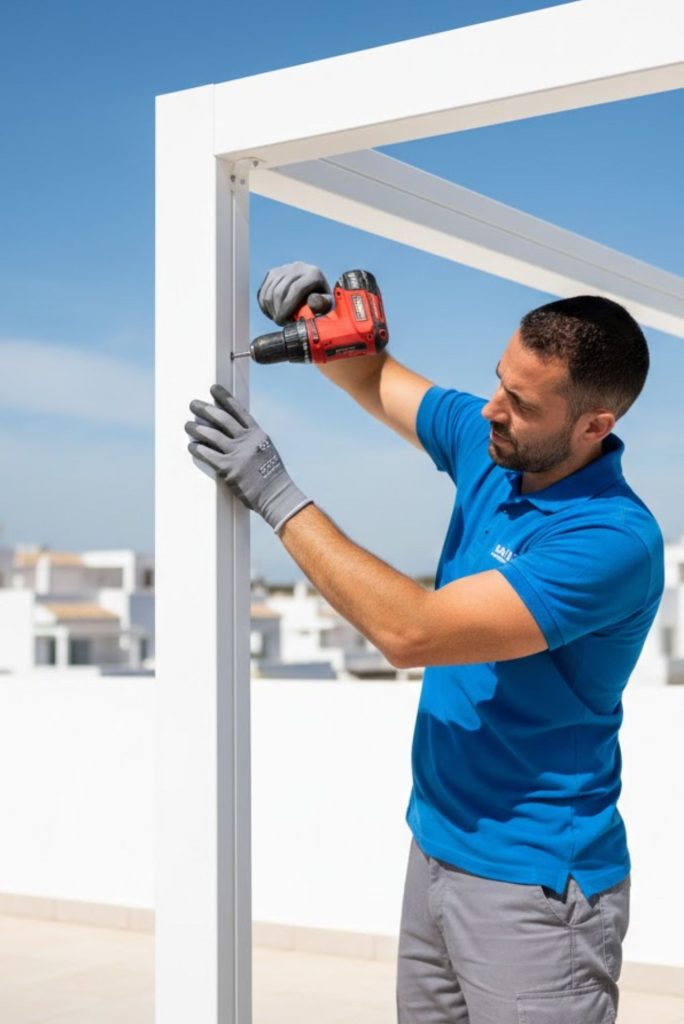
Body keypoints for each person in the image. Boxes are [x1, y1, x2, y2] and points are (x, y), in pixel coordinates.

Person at [185, 262, 664, 1024]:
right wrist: (325, 320)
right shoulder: (494, 444)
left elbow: (412, 632)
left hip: (535, 886)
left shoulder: (610, 539)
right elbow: (373, 377)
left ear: (593, 427)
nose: (492, 409)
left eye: (522, 401)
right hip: (437, 844)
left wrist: (276, 493)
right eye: (498, 380)